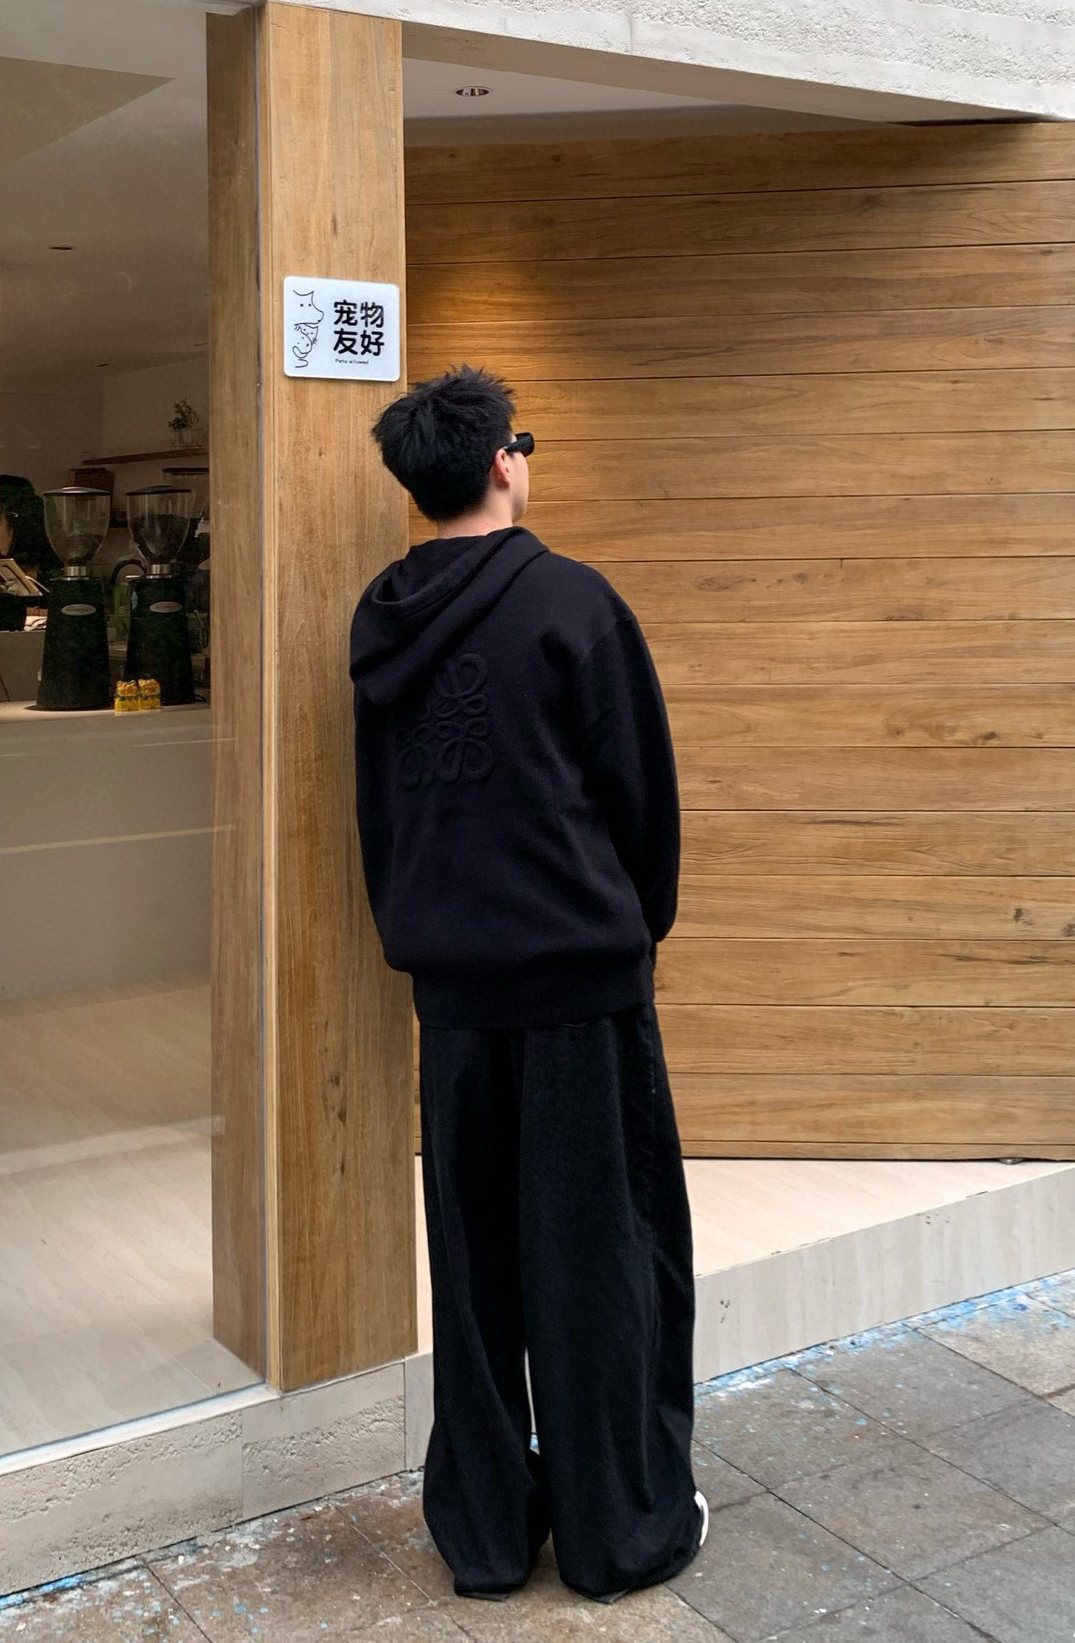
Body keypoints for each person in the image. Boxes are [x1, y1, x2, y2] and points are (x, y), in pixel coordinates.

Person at [350, 365, 707, 1604]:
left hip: (452, 991)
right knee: (602, 1257)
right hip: (578, 987)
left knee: (476, 1268)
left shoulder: (381, 618)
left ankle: (489, 1535)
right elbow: (641, 801)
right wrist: (630, 933)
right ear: (504, 459)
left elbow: (379, 811)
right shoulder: (573, 602)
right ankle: (618, 1530)